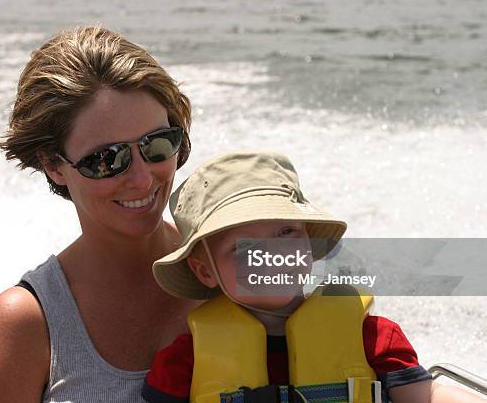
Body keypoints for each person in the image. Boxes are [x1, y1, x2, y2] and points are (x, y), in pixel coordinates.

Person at [0, 26, 201, 402]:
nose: (143, 180)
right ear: (53, 165)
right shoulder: (29, 322)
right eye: (107, 159)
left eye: (157, 144)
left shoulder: (232, 272)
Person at [143, 151, 484, 403]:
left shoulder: (373, 337)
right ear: (205, 271)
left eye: (286, 231)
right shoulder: (185, 361)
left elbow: (427, 395)